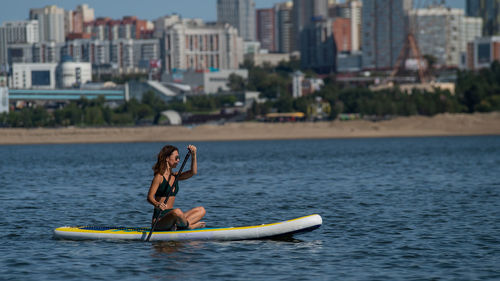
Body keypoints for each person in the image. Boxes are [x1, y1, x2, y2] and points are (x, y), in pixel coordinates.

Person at [147, 144, 206, 230]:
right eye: (176, 157)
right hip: (160, 220)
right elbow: (149, 197)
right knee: (177, 212)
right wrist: (157, 204)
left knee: (201, 210)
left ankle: (181, 225)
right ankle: (189, 226)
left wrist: (193, 154)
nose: (178, 160)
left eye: (179, 158)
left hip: (173, 217)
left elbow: (193, 172)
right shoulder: (159, 177)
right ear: (167, 158)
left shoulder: (175, 176)